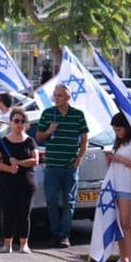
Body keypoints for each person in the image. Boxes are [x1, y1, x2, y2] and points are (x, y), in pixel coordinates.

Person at [35, 83, 89, 248]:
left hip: (70, 166)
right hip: (52, 165)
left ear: (68, 97)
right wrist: (49, 131)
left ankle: (65, 235)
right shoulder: (48, 114)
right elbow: (39, 138)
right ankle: (55, 233)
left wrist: (80, 157)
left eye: (60, 95)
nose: (56, 98)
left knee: (69, 202)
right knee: (51, 201)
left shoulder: (78, 115)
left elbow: (85, 138)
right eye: (55, 95)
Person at [0, 107, 39, 253]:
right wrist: (9, 168)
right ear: (11, 122)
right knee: (8, 211)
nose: (19, 124)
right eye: (16, 121)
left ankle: (24, 244)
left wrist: (19, 163)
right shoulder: (3, 142)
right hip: (6, 183)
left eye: (22, 121)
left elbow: (35, 160)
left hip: (26, 183)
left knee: (24, 213)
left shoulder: (30, 141)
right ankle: (7, 244)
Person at [102, 113, 131, 262]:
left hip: (128, 185)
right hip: (115, 184)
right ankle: (123, 258)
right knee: (118, 223)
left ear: (126, 128)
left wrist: (118, 158)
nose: (116, 132)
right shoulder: (118, 142)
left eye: (118, 129)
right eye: (114, 130)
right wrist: (111, 160)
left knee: (126, 223)